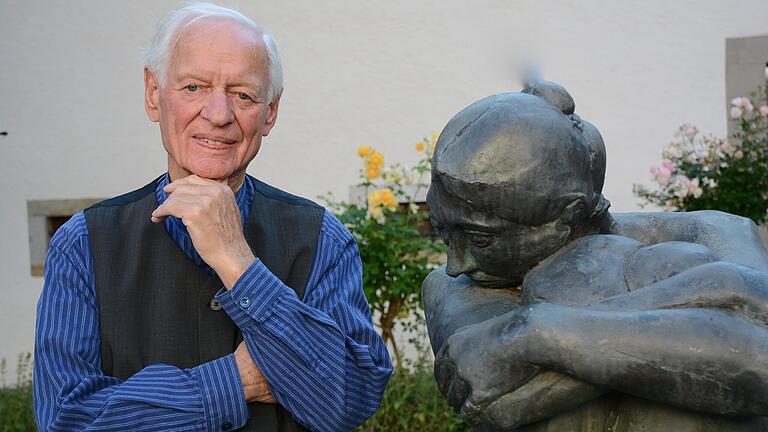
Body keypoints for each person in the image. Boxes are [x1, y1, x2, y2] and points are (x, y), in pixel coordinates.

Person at [33, 3, 391, 431]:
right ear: (153, 94)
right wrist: (234, 381)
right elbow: (65, 420)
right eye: (193, 88)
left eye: (243, 94)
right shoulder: (83, 244)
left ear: (270, 112)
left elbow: (347, 402)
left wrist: (236, 260)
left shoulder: (322, 239)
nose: (219, 114)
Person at [423, 83, 768, 431]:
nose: (456, 264)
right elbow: (500, 398)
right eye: (441, 229)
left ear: (567, 218)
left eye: (480, 238)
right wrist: (722, 289)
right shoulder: (448, 288)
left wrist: (534, 332)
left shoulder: (715, 229)